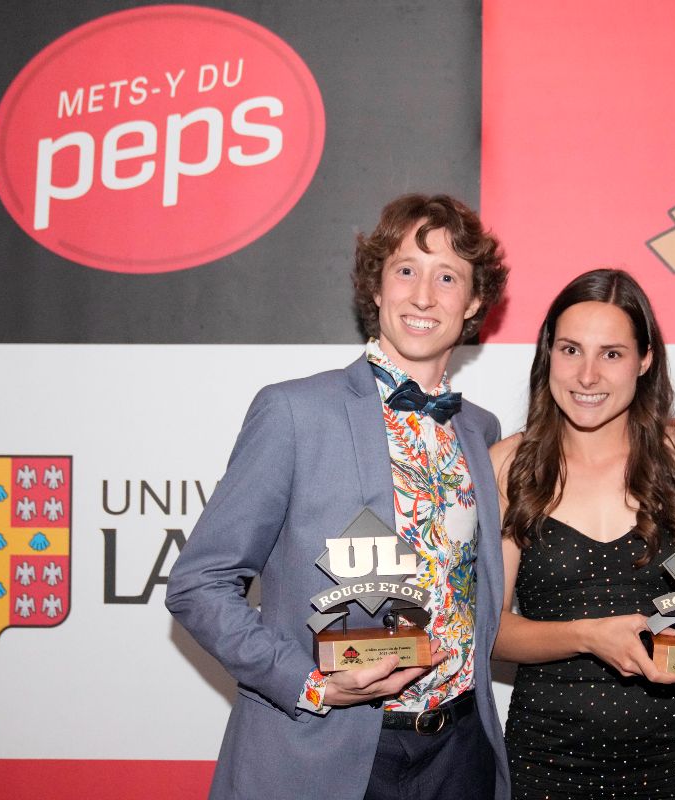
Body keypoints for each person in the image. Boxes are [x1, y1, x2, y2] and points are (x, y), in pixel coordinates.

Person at [166, 194, 511, 800]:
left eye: (447, 277)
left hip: (458, 753)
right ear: (376, 287)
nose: (423, 296)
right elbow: (199, 583)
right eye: (406, 270)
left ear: (475, 301)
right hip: (329, 749)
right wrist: (312, 685)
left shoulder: (480, 431)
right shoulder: (295, 412)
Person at [489, 269, 675, 799]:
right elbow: (492, 632)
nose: (587, 375)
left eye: (612, 353)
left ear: (645, 360)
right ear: (548, 354)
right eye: (571, 350)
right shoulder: (508, 467)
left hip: (669, 760)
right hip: (545, 758)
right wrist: (587, 635)